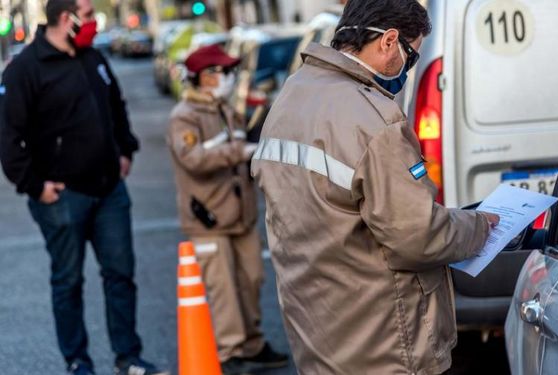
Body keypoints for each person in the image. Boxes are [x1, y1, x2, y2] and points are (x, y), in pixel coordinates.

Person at [251, 0, 500, 374]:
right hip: (383, 344)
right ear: (389, 41)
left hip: (315, 333)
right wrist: (479, 225)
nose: (408, 70)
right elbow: (418, 236)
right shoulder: (375, 119)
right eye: (411, 57)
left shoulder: (291, 96)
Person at [0, 1, 167, 374]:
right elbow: (9, 139)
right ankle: (78, 361)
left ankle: (128, 357)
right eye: (89, 15)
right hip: (60, 198)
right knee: (68, 281)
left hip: (110, 191)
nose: (94, 23)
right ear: (66, 18)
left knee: (120, 275)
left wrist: (126, 149)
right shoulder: (26, 69)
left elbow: (115, 105)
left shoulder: (92, 57)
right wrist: (35, 186)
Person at [167, 44, 289, 375]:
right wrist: (239, 151)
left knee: (251, 278)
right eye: (222, 73)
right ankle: (230, 350)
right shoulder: (185, 116)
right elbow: (193, 160)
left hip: (240, 216)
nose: (229, 79)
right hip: (208, 218)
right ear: (202, 77)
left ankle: (252, 343)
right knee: (222, 289)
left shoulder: (225, 109)